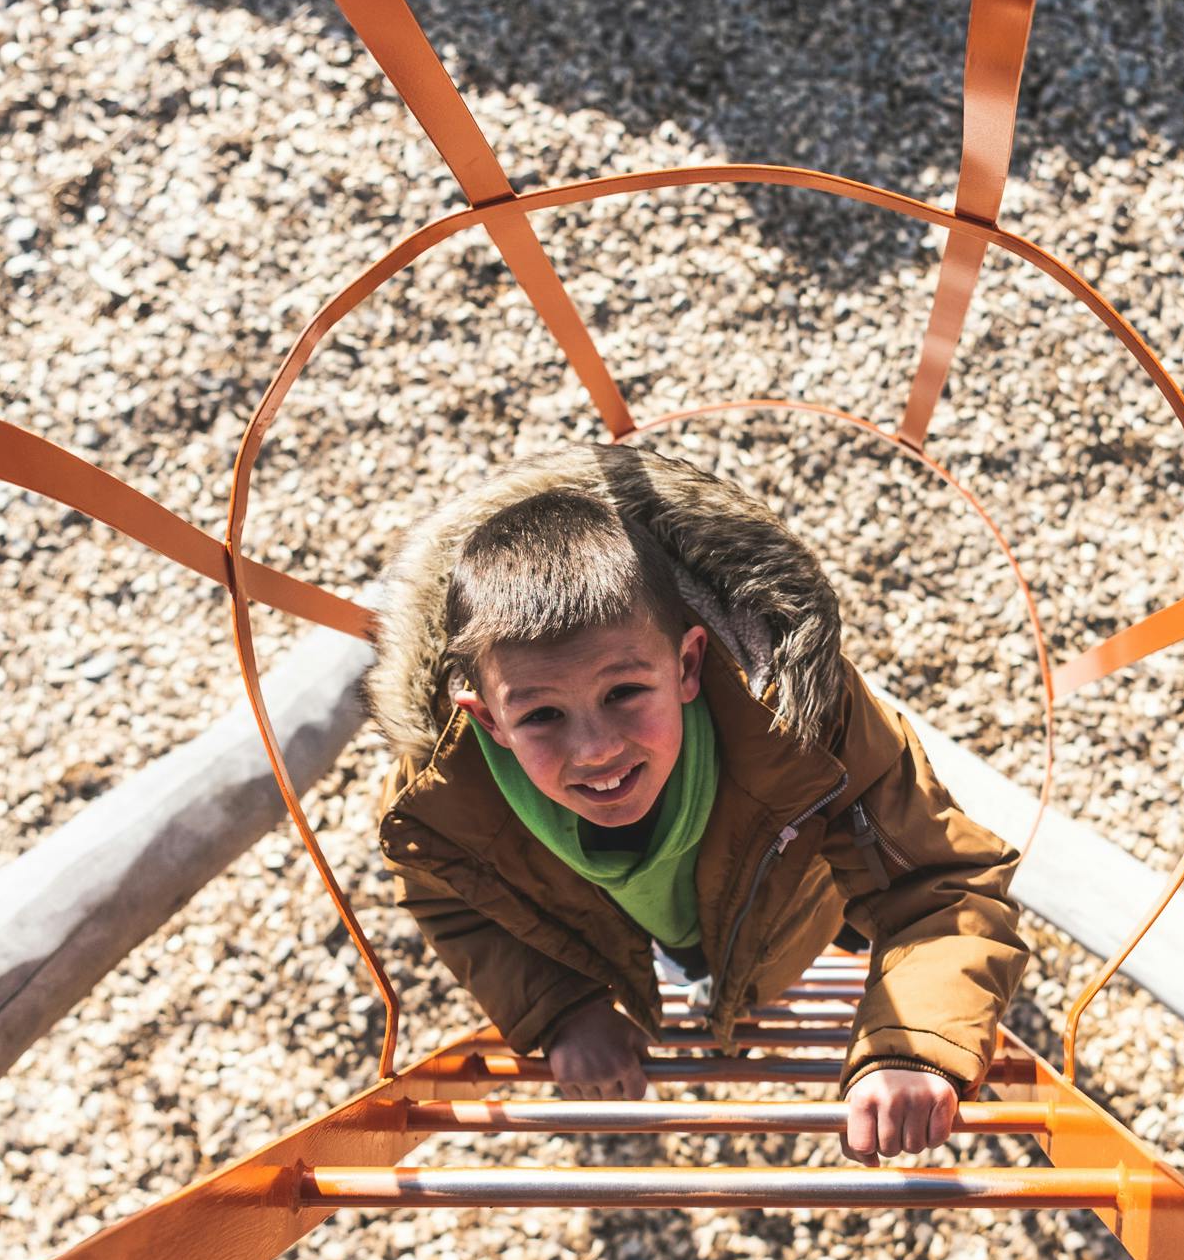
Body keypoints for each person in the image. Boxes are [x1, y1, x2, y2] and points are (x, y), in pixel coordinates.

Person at [368, 444, 1027, 1162]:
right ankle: (694, 961)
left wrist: (914, 1048)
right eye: (541, 717)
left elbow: (940, 882)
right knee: (688, 941)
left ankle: (835, 935)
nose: (595, 750)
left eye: (624, 693)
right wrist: (563, 1008)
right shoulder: (442, 797)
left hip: (796, 915)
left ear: (687, 664)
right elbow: (447, 900)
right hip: (636, 930)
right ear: (487, 719)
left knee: (861, 905)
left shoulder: (808, 723)